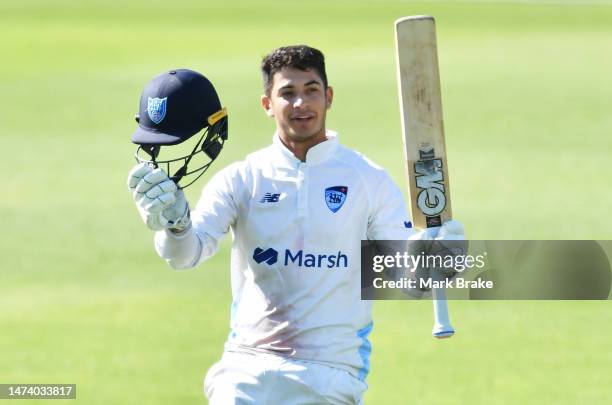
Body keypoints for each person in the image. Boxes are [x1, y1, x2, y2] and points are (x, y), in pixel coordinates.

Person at [128, 45, 463, 404]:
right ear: (267, 104)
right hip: (246, 371)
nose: (301, 103)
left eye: (311, 90)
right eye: (287, 93)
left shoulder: (368, 180)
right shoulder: (243, 178)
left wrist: (440, 261)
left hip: (331, 375)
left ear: (328, 97)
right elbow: (185, 255)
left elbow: (408, 281)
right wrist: (175, 226)